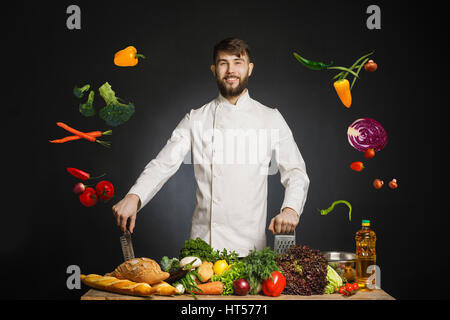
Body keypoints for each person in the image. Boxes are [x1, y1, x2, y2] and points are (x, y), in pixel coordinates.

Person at [112, 37, 310, 257]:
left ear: (250, 69)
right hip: (202, 251)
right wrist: (134, 196)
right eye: (223, 63)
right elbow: (163, 163)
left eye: (238, 62)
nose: (231, 70)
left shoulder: (270, 118)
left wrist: (291, 208)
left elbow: (295, 171)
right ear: (214, 70)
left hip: (251, 253)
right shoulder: (196, 118)